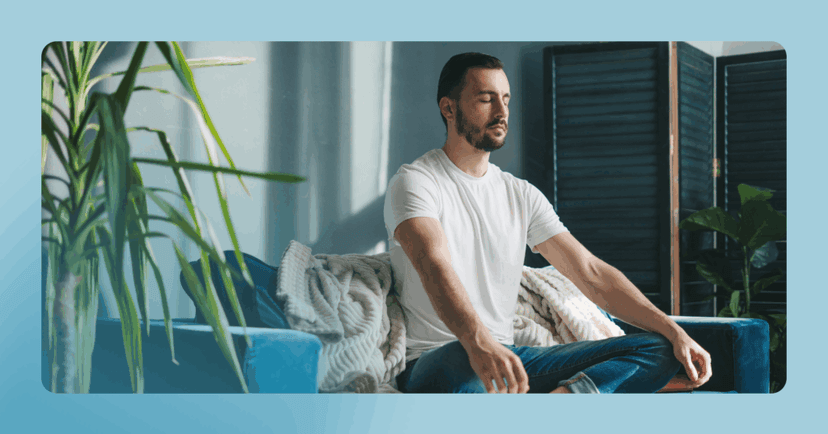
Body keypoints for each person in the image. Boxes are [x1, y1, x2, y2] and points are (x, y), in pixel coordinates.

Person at [382, 52, 712, 393]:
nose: (501, 112)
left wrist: (675, 332)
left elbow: (590, 271)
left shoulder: (521, 194)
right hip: (442, 360)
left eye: (505, 99)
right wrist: (478, 341)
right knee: (460, 360)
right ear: (449, 109)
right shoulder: (416, 182)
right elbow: (433, 264)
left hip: (512, 360)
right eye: (486, 99)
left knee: (658, 348)